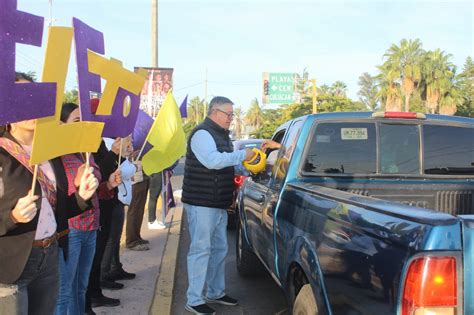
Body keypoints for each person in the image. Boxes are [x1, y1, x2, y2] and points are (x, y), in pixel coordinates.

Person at [0, 73, 99, 315]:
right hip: (11, 264)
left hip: (50, 254)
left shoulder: (50, 152)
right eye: (21, 98)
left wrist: (81, 197)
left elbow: (59, 210)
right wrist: (12, 217)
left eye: (34, 97)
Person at [181, 96, 256, 315]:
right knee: (201, 250)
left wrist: (246, 168)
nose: (231, 119)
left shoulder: (223, 135)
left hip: (218, 202)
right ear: (215, 112)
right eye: (229, 114)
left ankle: (215, 292)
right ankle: (194, 299)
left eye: (232, 115)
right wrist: (243, 155)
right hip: (201, 202)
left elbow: (226, 165)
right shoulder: (203, 134)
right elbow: (212, 161)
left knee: (219, 250)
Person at [54, 103, 122, 315]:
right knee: (65, 290)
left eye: (83, 120)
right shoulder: (56, 156)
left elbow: (93, 192)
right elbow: (54, 198)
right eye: (76, 121)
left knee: (81, 287)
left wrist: (108, 184)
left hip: (91, 226)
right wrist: (75, 186)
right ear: (60, 125)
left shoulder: (86, 152)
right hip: (71, 229)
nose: (82, 125)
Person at [126, 155, 152, 250]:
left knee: (140, 210)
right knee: (134, 210)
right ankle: (131, 241)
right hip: (136, 178)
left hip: (144, 175)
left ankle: (137, 236)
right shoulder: (130, 142)